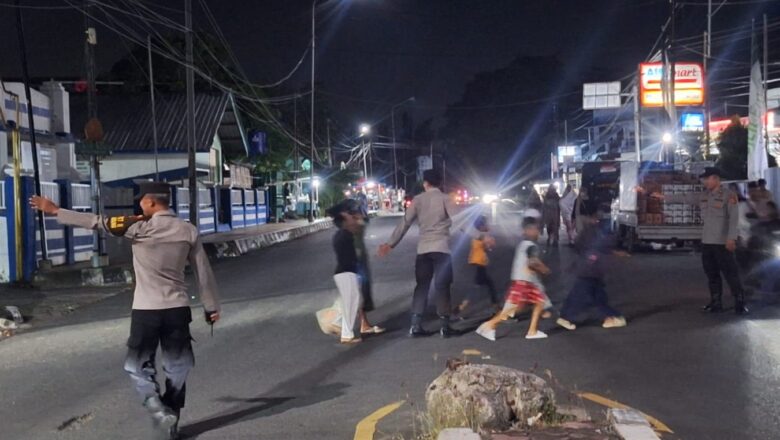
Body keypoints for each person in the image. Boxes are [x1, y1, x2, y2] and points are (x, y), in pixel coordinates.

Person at [30, 182, 220, 440]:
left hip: (146, 310)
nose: (139, 203)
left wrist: (55, 211)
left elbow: (96, 221)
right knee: (177, 366)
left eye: (141, 200)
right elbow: (203, 272)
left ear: (152, 202)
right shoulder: (188, 230)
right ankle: (171, 417)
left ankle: (156, 407)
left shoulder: (136, 227)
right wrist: (211, 308)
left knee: (136, 366)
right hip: (176, 309)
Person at [649, 167, 748, 314]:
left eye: (707, 179)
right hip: (707, 241)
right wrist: (663, 197)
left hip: (723, 242)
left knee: (730, 273)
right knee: (711, 273)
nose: (705, 182)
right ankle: (716, 302)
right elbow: (684, 198)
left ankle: (739, 302)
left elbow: (733, 219)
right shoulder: (703, 196)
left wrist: (731, 238)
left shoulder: (729, 195)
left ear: (715, 178)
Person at [378, 169, 458, 338]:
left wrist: (390, 244)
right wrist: (479, 236)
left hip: (423, 251)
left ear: (425, 183)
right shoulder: (445, 199)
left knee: (421, 287)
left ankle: (415, 325)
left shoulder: (418, 200)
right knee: (442, 287)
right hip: (442, 249)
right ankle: (445, 326)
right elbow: (461, 220)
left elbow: (405, 223)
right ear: (440, 183)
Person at [476, 216, 550, 341]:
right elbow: (533, 262)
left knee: (538, 302)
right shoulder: (532, 246)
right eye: (537, 230)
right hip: (525, 281)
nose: (538, 233)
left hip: (523, 280)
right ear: (529, 231)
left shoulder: (522, 244)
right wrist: (544, 269)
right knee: (515, 308)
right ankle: (489, 325)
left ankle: (532, 331)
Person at [556, 205, 628, 331]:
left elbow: (578, 244)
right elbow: (607, 246)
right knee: (588, 293)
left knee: (592, 294)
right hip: (594, 268)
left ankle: (610, 315)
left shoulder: (589, 230)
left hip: (588, 267)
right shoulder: (603, 231)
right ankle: (612, 316)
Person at [326, 200, 367, 344]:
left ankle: (340, 324)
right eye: (348, 218)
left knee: (355, 302)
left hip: (346, 272)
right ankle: (346, 333)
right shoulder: (345, 235)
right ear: (344, 222)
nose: (352, 219)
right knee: (351, 303)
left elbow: (359, 225)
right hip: (346, 272)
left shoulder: (340, 234)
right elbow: (358, 225)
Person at [453, 215, 500, 317]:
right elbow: (488, 243)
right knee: (481, 288)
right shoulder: (480, 236)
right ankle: (496, 308)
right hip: (478, 264)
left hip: (478, 264)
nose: (487, 225)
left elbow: (488, 246)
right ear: (481, 225)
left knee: (481, 287)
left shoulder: (480, 235)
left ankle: (460, 308)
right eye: (485, 223)